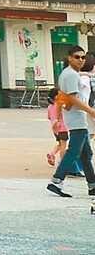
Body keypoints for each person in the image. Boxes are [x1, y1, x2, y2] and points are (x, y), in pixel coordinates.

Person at [47, 47, 95, 197]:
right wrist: (91, 111)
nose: (81, 60)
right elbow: (72, 98)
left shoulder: (67, 74)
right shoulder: (71, 75)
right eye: (77, 57)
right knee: (74, 151)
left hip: (75, 118)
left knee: (86, 154)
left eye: (83, 57)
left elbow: (61, 98)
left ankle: (92, 185)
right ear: (69, 58)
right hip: (77, 118)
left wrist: (58, 118)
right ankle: (56, 181)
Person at [46, 87, 69, 167]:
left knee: (60, 144)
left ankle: (52, 153)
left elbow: (49, 117)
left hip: (55, 129)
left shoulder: (50, 107)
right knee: (63, 145)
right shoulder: (59, 106)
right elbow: (62, 115)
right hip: (62, 127)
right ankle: (61, 160)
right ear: (56, 96)